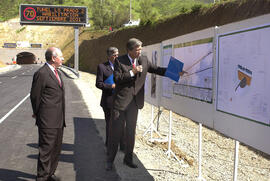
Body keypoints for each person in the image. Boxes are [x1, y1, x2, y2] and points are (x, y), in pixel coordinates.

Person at [106, 38, 186, 171]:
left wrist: (175, 73)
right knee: (116, 133)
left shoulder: (144, 59)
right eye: (137, 49)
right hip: (120, 104)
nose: (140, 51)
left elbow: (157, 70)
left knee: (131, 133)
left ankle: (128, 159)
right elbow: (118, 79)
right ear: (129, 50)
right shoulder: (120, 60)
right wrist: (133, 72)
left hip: (134, 103)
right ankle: (110, 160)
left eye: (140, 49)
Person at [30, 47, 65, 181]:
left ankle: (50, 173)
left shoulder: (58, 72)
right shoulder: (42, 73)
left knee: (56, 149)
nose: (62, 59)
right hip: (47, 120)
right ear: (53, 58)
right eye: (60, 56)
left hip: (59, 119)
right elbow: (35, 96)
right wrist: (37, 113)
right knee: (46, 150)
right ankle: (42, 177)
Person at [95, 47, 125, 150]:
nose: (117, 57)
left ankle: (122, 145)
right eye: (114, 55)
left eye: (118, 55)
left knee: (121, 123)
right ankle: (109, 144)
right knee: (110, 124)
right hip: (108, 100)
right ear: (109, 56)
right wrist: (110, 86)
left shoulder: (122, 66)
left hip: (120, 100)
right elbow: (98, 84)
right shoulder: (102, 67)